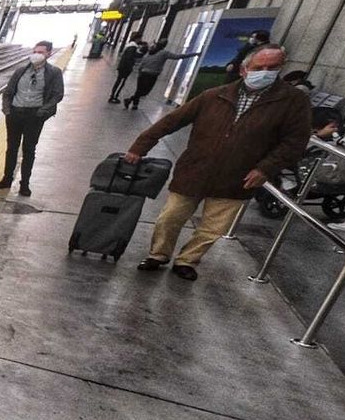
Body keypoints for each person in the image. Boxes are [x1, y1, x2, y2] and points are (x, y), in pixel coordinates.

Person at [126, 45, 313, 281]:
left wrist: (266, 168)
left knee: (213, 227)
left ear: (281, 68)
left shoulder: (293, 101)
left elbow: (295, 141)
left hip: (238, 177)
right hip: (195, 169)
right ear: (244, 70)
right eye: (259, 68)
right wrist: (139, 147)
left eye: (272, 67)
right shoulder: (215, 95)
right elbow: (172, 121)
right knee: (170, 217)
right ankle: (158, 254)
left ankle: (187, 260)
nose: (265, 72)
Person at [0, 40, 64, 197]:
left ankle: (24, 184)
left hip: (34, 116)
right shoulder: (20, 71)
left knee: (29, 149)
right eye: (35, 51)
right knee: (11, 148)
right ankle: (7, 178)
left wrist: (42, 111)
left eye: (41, 52)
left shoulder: (54, 73)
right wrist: (7, 109)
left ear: (48, 54)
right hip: (15, 114)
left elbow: (57, 94)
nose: (36, 55)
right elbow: (8, 91)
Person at [123, 37, 197, 110]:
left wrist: (140, 71)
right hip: (152, 75)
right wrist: (194, 54)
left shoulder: (151, 51)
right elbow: (177, 56)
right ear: (165, 45)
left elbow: (144, 61)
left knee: (139, 90)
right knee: (144, 92)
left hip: (143, 73)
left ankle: (134, 105)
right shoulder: (164, 53)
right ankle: (129, 100)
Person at [109, 38, 147, 103]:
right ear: (136, 39)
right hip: (125, 68)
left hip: (122, 67)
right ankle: (114, 96)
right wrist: (130, 67)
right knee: (120, 82)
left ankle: (113, 96)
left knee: (119, 81)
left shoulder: (130, 46)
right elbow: (130, 57)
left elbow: (135, 55)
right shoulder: (133, 47)